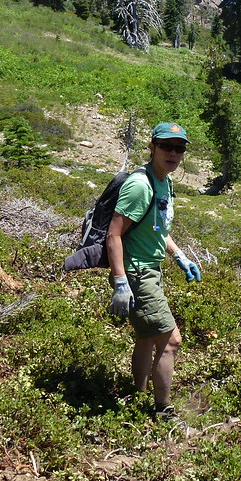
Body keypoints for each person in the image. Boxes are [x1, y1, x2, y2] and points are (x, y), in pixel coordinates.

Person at [105, 122, 201, 420]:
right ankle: (163, 410)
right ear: (153, 147)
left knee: (147, 339)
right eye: (167, 146)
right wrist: (121, 281)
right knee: (171, 340)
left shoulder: (164, 182)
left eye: (179, 148)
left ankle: (139, 396)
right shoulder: (140, 184)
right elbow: (114, 235)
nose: (173, 153)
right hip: (136, 272)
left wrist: (179, 255)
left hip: (151, 269)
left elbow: (158, 228)